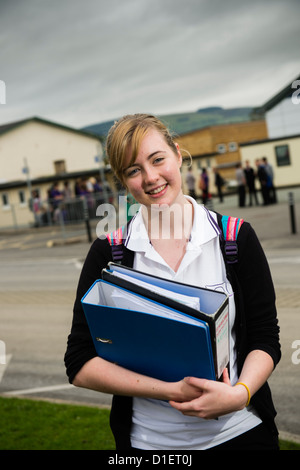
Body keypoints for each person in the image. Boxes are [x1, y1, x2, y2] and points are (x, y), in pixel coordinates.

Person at [64, 114, 281, 451]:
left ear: (178, 155)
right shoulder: (109, 253)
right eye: (133, 170)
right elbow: (79, 362)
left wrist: (240, 394)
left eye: (157, 159)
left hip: (240, 433)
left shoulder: (235, 238)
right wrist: (170, 391)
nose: (151, 178)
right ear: (122, 181)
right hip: (151, 444)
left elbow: (266, 337)